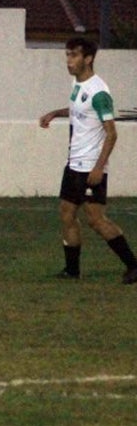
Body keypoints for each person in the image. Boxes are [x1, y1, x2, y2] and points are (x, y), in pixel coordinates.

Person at [38, 36, 137, 283]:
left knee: (95, 219)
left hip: (91, 166)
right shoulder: (78, 84)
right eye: (67, 55)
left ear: (88, 58)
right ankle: (72, 271)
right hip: (74, 163)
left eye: (74, 55)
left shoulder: (99, 93)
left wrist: (99, 168)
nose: (68, 60)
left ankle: (134, 266)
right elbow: (79, 110)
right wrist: (55, 113)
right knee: (67, 213)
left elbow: (111, 134)